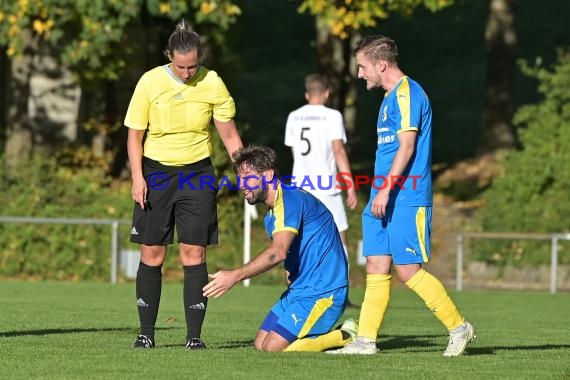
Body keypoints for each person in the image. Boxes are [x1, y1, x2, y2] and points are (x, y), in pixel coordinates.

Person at [330, 35, 475, 356]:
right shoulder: (389, 98)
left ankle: (459, 327)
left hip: (405, 197)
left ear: (381, 65)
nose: (359, 74)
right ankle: (366, 340)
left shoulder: (409, 94)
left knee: (408, 270)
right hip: (384, 197)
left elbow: (408, 147)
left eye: (362, 67)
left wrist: (382, 191)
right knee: (375, 266)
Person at [124, 20, 243, 350]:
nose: (187, 73)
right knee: (152, 251)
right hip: (155, 172)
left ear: (199, 59)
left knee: (194, 251)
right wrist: (137, 177)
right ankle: (146, 333)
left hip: (198, 173)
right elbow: (135, 135)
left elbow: (230, 135)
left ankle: (194, 337)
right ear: (168, 56)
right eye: (180, 66)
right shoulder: (149, 82)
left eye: (192, 66)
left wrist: (246, 173)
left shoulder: (213, 83)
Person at [202, 145, 357, 352]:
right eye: (239, 179)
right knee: (260, 344)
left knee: (273, 347)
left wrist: (234, 276)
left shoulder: (290, 198)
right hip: (299, 293)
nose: (241, 185)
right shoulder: (271, 216)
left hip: (325, 293)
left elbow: (278, 252)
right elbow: (290, 255)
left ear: (268, 174)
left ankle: (345, 336)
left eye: (247, 177)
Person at [284, 74, 358, 307]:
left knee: (301, 238)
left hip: (301, 187)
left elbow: (295, 152)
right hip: (326, 185)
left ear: (307, 95)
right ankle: (341, 293)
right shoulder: (332, 116)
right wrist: (350, 184)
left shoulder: (294, 116)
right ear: (327, 93)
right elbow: (338, 150)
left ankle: (299, 290)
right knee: (339, 235)